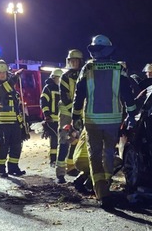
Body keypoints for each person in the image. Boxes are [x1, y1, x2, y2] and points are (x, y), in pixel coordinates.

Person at [72, 35, 137, 208]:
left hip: (92, 120)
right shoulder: (119, 68)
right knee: (108, 153)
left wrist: (75, 116)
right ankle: (105, 185)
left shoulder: (88, 68)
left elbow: (79, 95)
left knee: (94, 155)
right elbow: (127, 94)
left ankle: (101, 192)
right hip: (113, 120)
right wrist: (132, 115)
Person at [0, 60, 26, 177]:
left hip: (13, 121)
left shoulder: (11, 86)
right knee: (2, 146)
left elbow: (15, 105)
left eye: (4, 72)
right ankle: (1, 169)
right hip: (0, 122)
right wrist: (14, 78)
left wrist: (21, 123)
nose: (2, 74)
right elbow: (1, 91)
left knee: (16, 145)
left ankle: (13, 167)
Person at [54, 49, 83, 183]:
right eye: (71, 60)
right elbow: (65, 97)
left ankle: (71, 168)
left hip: (79, 114)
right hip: (67, 113)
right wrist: (75, 112)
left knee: (76, 141)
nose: (73, 63)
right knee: (64, 141)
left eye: (76, 60)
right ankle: (60, 173)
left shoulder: (84, 75)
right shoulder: (65, 77)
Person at [40, 68, 63, 170]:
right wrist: (47, 114)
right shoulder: (48, 88)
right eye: (58, 78)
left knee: (63, 140)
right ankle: (53, 160)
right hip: (52, 119)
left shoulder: (63, 88)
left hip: (62, 118)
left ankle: (61, 159)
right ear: (53, 78)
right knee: (54, 139)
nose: (60, 80)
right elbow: (44, 101)